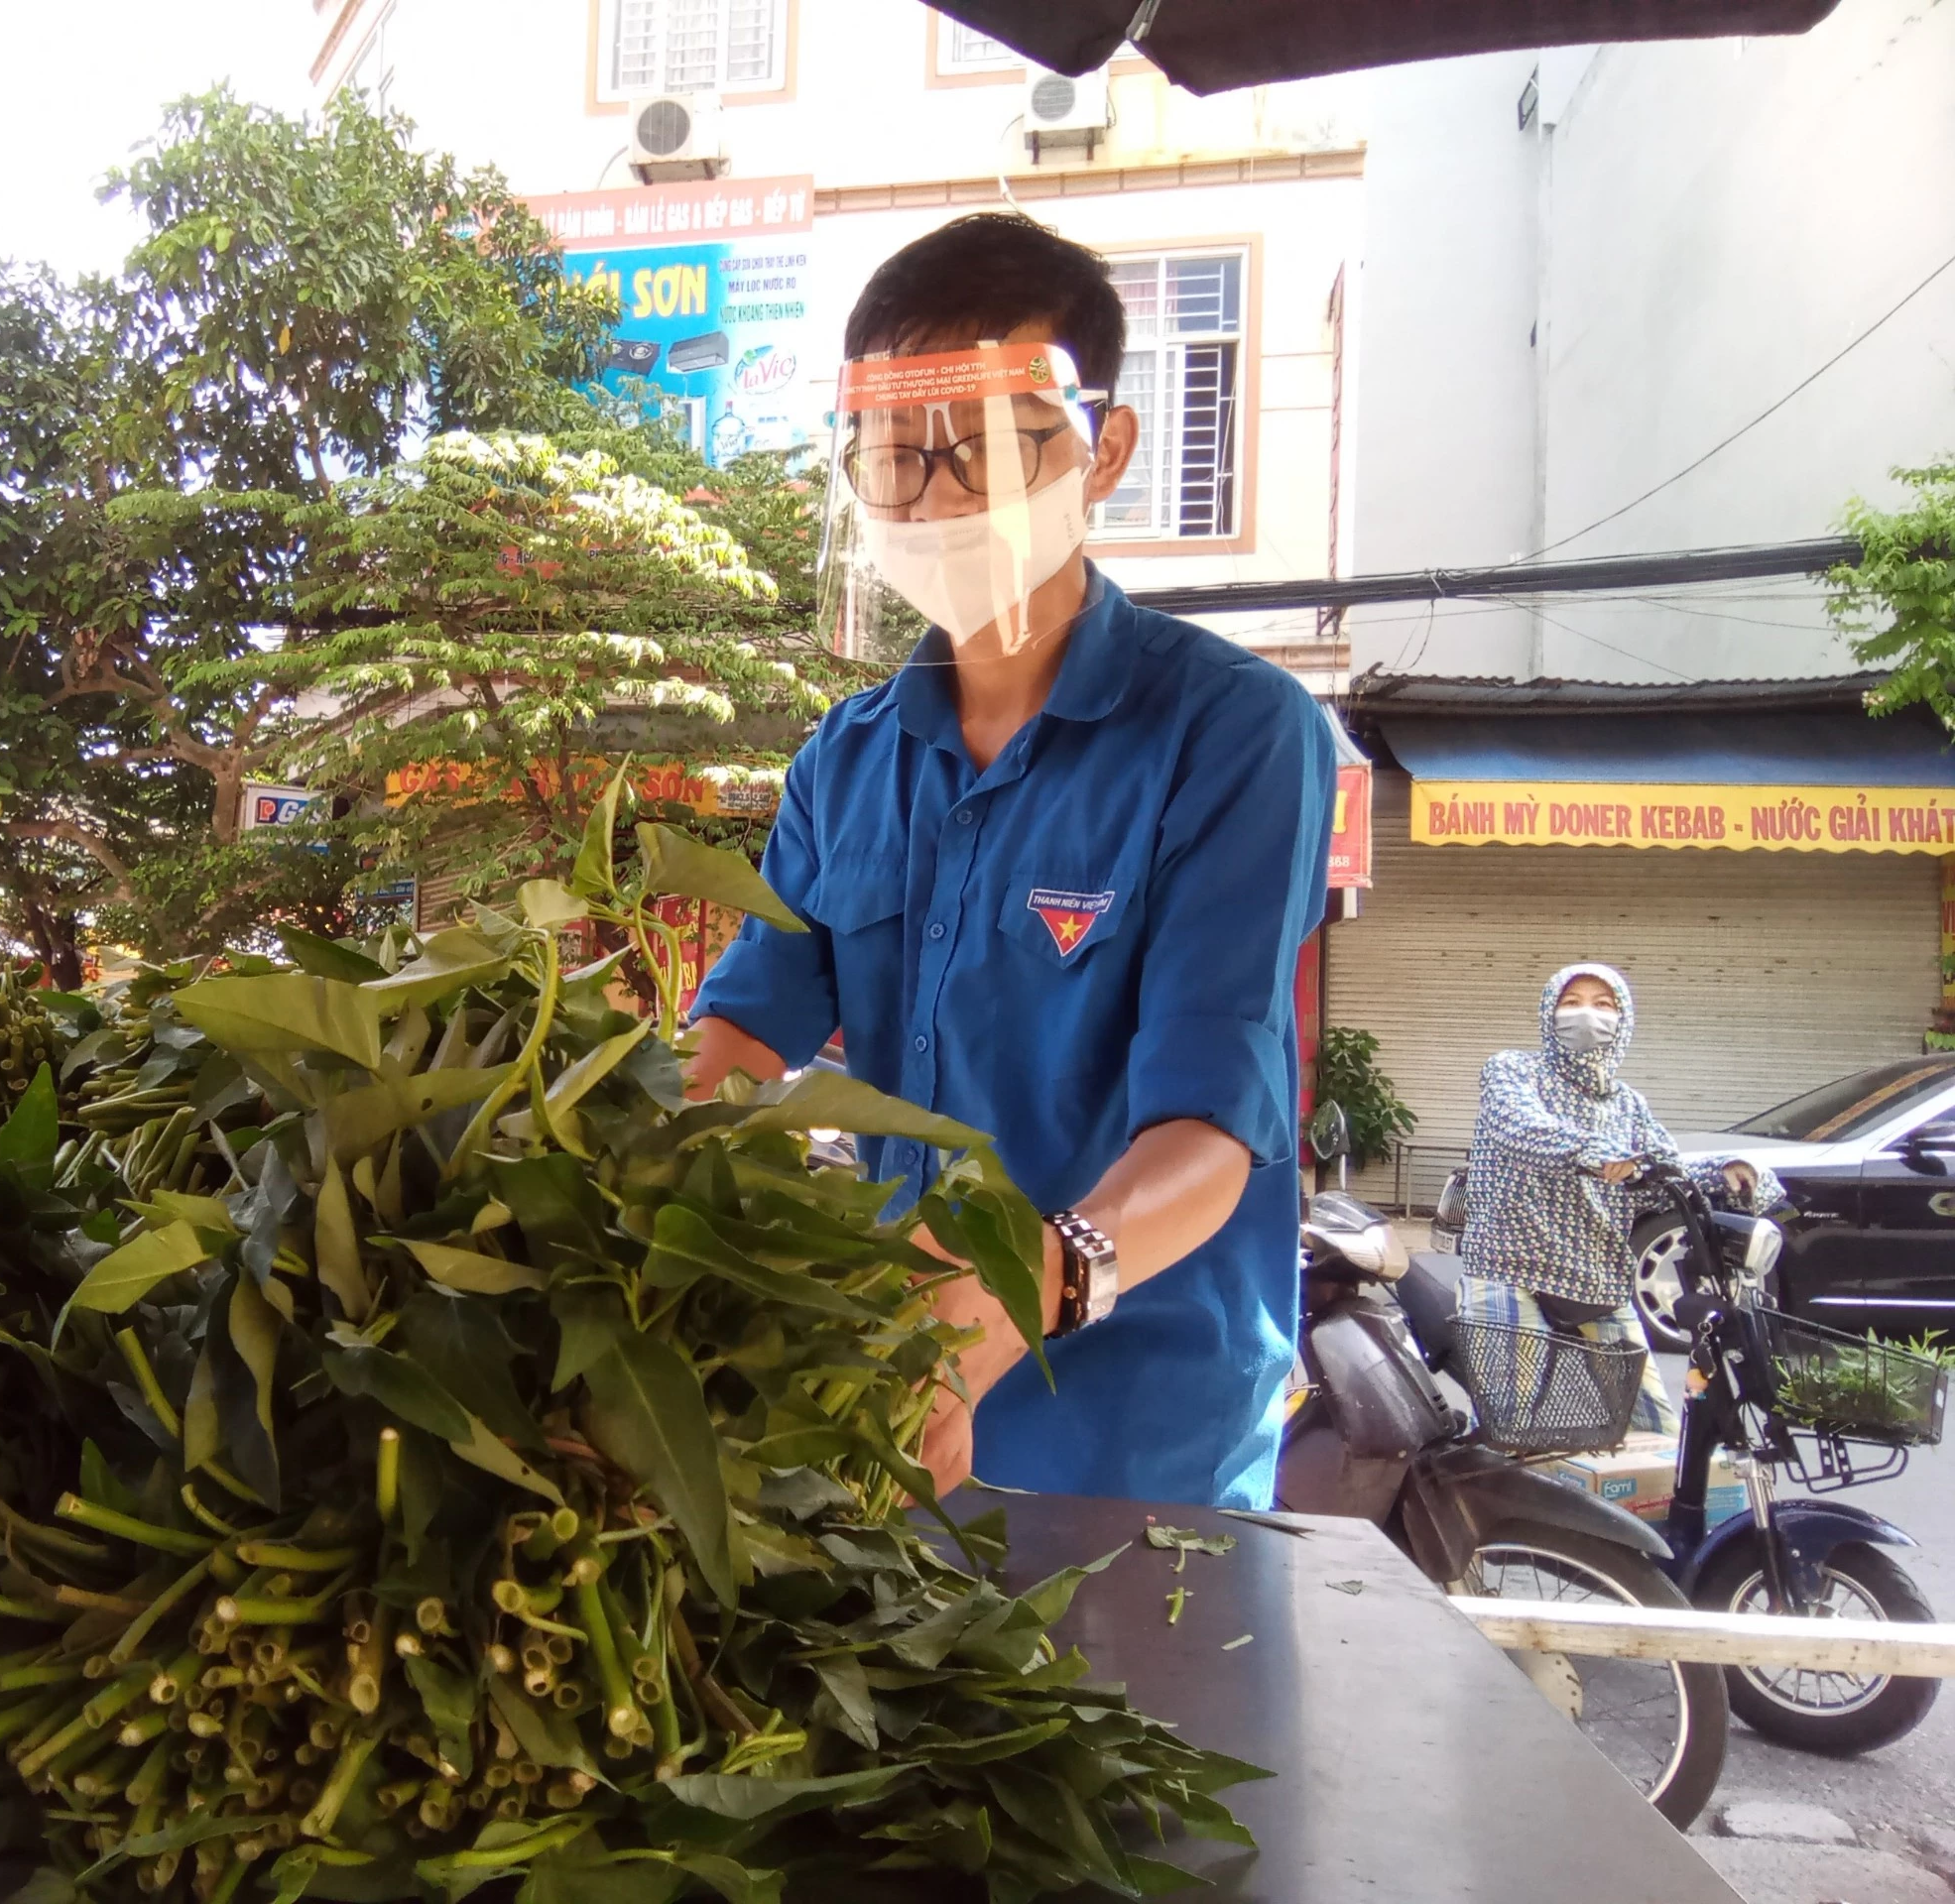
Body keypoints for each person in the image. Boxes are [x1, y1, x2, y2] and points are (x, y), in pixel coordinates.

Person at [684, 213, 1337, 1509]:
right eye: (893, 460)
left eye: (981, 448)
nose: (933, 500)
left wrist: (1019, 1288)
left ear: (1105, 455)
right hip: (887, 1424)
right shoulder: (846, 761)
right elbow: (740, 1050)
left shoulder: (1235, 735)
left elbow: (1210, 1133)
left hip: (1140, 1459)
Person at [1459, 963, 1771, 1435]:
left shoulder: (1628, 1104)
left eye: (1604, 1005)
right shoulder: (1512, 1070)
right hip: (1508, 1267)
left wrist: (1725, 1172)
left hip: (1595, 1275)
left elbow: (1663, 1165)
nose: (1587, 1015)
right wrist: (1592, 1152)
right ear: (1549, 1012)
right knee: (1513, 1429)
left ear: (1623, 1021)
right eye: (1572, 1002)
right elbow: (1517, 1126)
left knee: (1655, 1429)